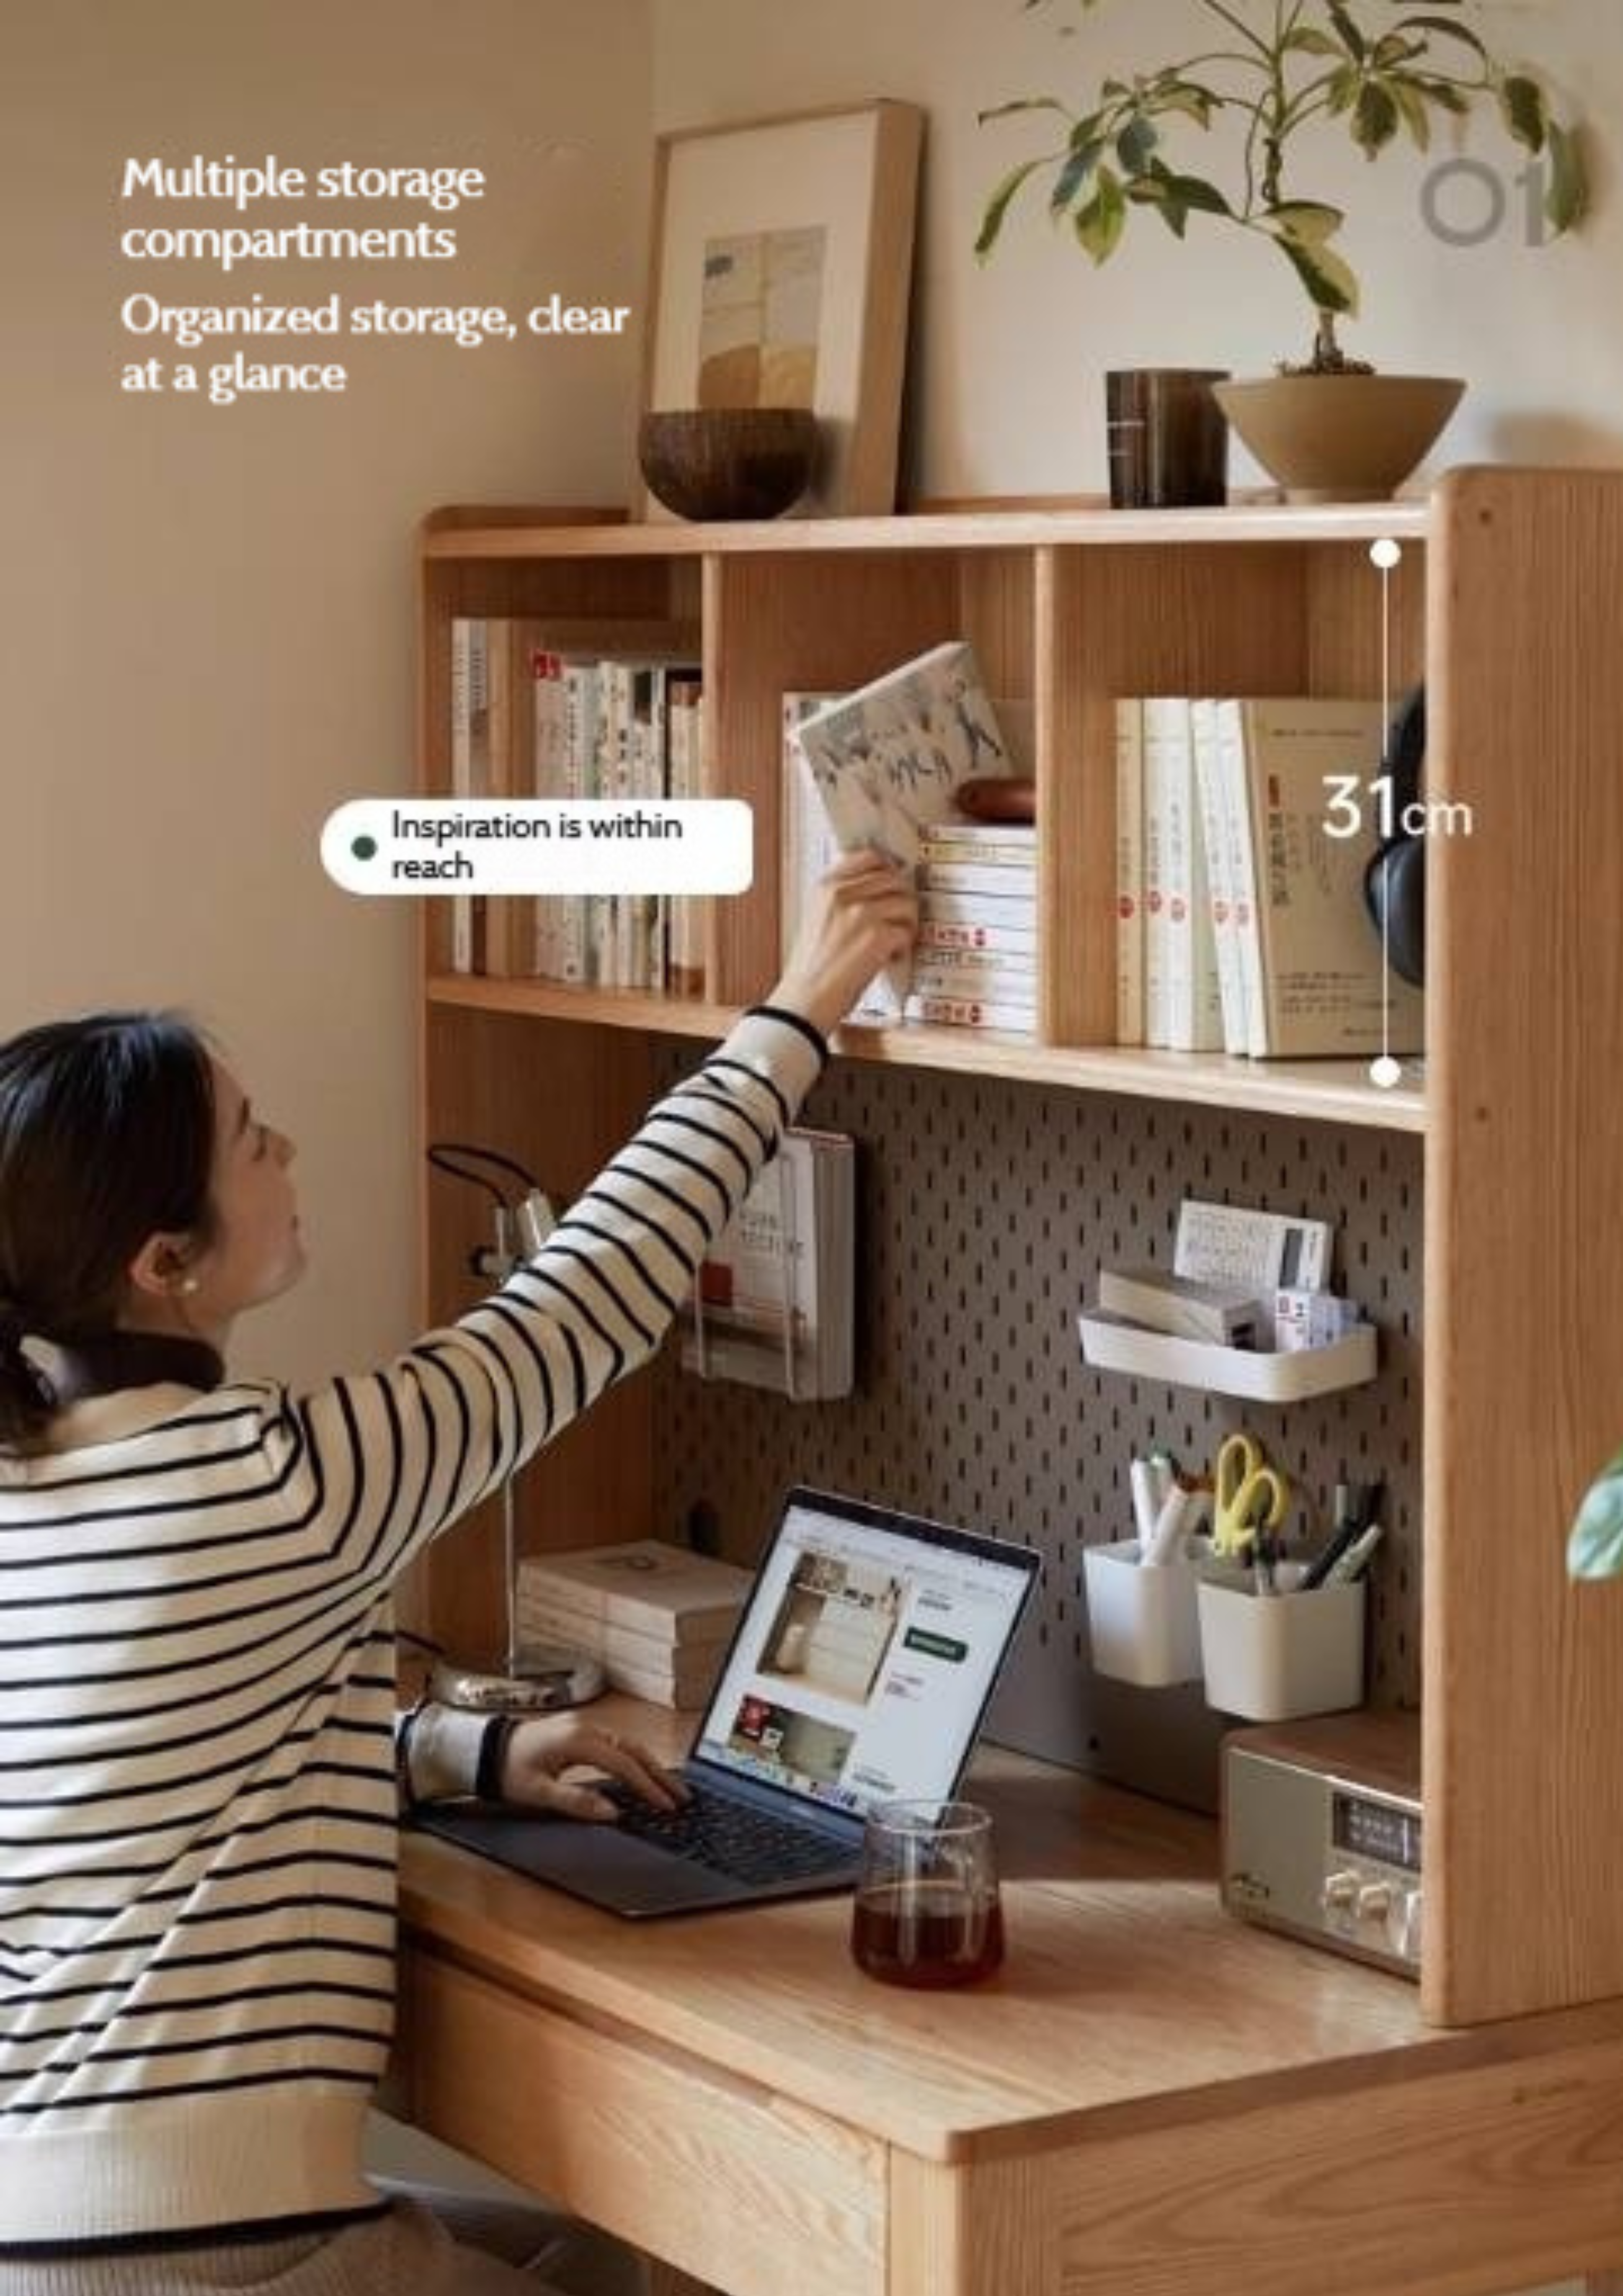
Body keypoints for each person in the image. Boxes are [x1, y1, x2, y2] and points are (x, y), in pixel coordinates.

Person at [0, 852, 916, 2294]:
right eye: (253, 1143)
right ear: (165, 1259)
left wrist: (460, 1751)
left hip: (49, 2236)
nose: (287, 1152)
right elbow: (587, 1299)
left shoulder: (33, 1487)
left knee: (596, 2252)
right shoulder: (271, 1477)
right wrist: (801, 1005)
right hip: (218, 2258)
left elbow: (157, 1758)